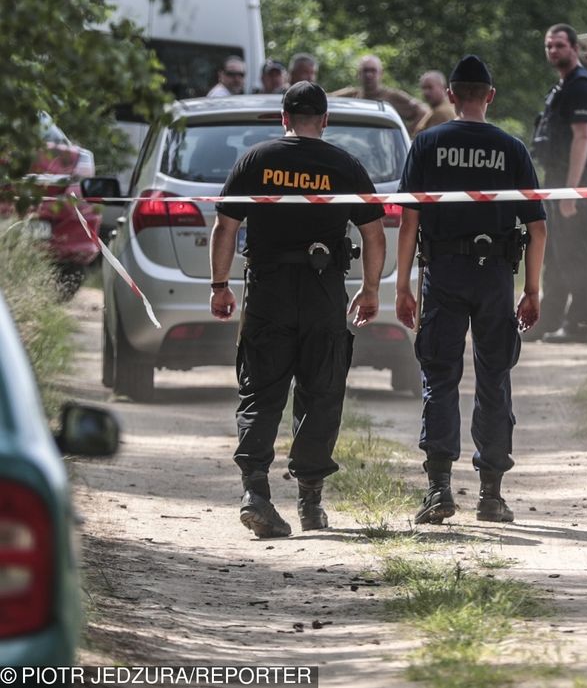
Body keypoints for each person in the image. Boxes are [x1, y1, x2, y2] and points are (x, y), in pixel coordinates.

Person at [209, 81, 386, 539]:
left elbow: (225, 226)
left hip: (268, 289)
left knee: (261, 388)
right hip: (323, 288)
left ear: (283, 118)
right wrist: (369, 290)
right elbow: (374, 233)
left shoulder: (256, 159)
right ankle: (310, 502)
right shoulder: (344, 165)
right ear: (325, 120)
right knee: (321, 389)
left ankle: (255, 492)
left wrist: (220, 285)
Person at [395, 55, 546, 526]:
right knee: (494, 379)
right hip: (496, 277)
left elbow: (409, 221)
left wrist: (402, 285)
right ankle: (491, 496)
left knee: (440, 378)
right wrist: (533, 290)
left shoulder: (427, 144)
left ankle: (439, 490)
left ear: (452, 96)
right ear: (491, 97)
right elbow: (538, 229)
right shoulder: (512, 149)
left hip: (443, 272)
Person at [527, 23, 587, 343]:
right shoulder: (563, 85)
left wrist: (570, 192)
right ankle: (549, 320)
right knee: (555, 255)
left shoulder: (581, 86)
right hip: (556, 179)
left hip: (573, 181)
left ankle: (580, 325)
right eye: (548, 46)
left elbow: (581, 138)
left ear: (574, 47)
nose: (553, 51)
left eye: (559, 45)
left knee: (575, 256)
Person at [333, 54, 429, 132]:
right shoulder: (352, 95)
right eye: (365, 71)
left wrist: (407, 133)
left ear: (381, 74)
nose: (369, 75)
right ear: (359, 74)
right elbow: (327, 99)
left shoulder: (392, 96)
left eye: (373, 71)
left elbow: (424, 111)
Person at [416, 70, 457, 134]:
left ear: (443, 87)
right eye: (423, 88)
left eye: (430, 87)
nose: (426, 92)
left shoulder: (442, 112)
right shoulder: (440, 108)